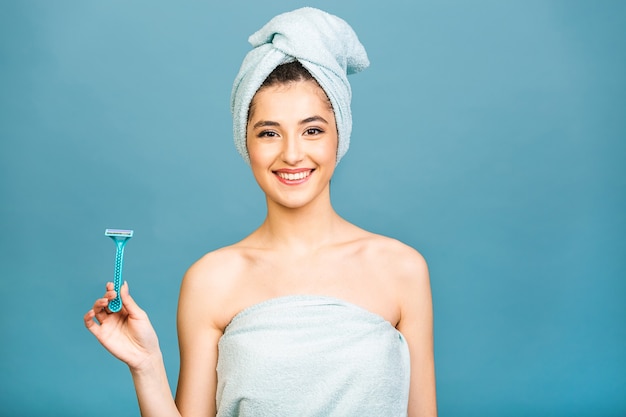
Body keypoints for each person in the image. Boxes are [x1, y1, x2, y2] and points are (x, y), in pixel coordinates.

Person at [85, 7, 436, 417]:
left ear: (339, 136)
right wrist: (146, 366)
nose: (291, 153)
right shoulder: (211, 280)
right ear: (244, 142)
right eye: (269, 133)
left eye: (313, 130)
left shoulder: (401, 269)